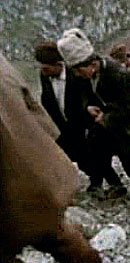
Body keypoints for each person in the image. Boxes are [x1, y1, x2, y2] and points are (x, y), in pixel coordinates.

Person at [0, 53, 117, 263]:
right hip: (37, 170)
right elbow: (35, 108)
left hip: (7, 190)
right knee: (55, 230)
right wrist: (51, 151)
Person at [58, 28, 130, 205]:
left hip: (125, 125)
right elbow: (85, 97)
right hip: (103, 125)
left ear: (91, 65)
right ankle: (116, 185)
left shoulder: (118, 75)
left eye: (79, 71)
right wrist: (88, 108)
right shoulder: (83, 77)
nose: (77, 75)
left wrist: (107, 118)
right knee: (97, 154)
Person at [35, 41, 92, 175]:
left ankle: (109, 181)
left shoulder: (76, 75)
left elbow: (87, 99)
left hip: (82, 125)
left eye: (46, 68)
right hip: (61, 126)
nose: (43, 71)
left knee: (92, 158)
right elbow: (47, 99)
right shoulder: (45, 76)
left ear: (58, 64)